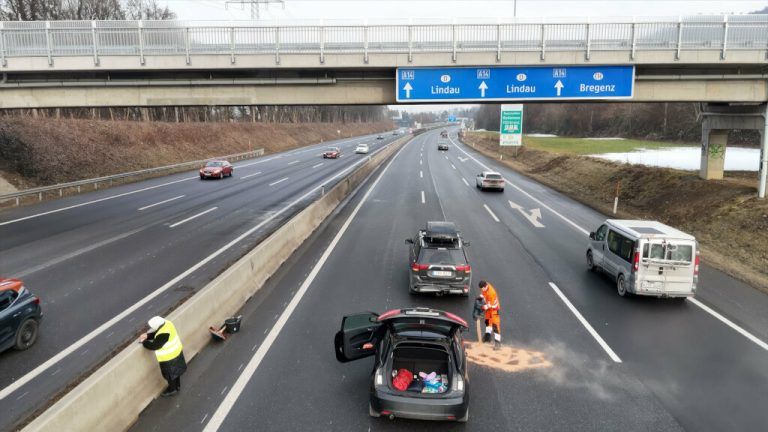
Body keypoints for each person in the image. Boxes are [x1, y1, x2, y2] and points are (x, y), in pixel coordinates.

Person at [139, 316, 187, 397]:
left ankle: (172, 389)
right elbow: (157, 333)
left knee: (169, 375)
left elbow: (154, 346)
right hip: (177, 352)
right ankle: (177, 386)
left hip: (169, 358)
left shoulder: (163, 334)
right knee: (176, 372)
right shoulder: (167, 324)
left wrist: (144, 342)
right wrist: (147, 336)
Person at [478, 280, 501, 350]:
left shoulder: (491, 293)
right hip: (488, 308)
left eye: (482, 289)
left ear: (485, 286)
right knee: (487, 322)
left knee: (495, 326)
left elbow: (489, 305)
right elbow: (483, 296)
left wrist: (482, 308)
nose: (481, 290)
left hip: (494, 309)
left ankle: (497, 343)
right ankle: (487, 337)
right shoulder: (484, 287)